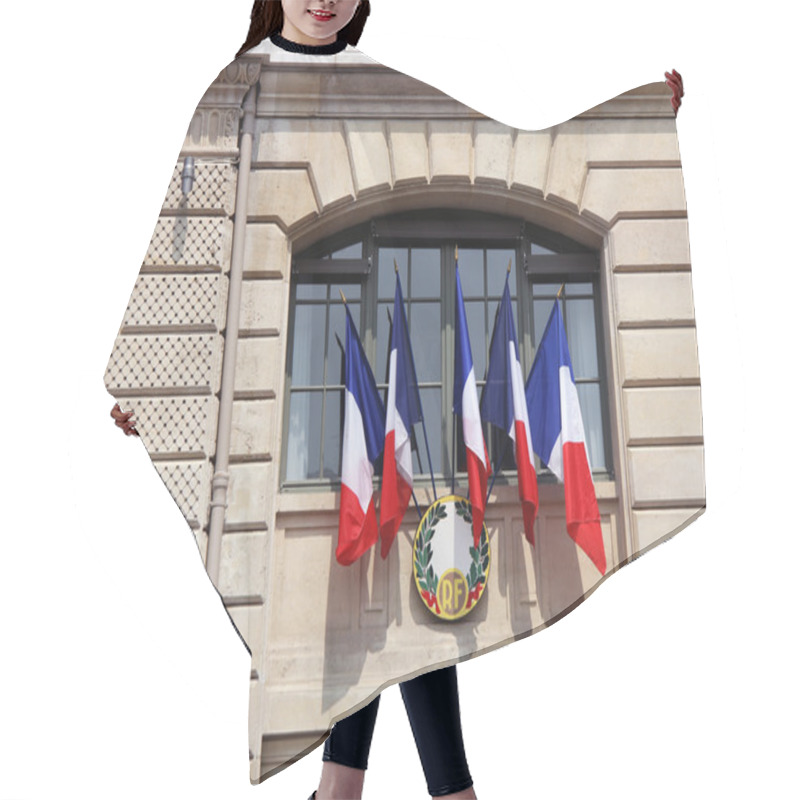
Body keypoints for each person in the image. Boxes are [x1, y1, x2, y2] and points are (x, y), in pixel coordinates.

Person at [111, 3, 685, 797]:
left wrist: (635, 131)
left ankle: (358, 791)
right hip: (303, 411)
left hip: (402, 402)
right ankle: (420, 791)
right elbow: (195, 245)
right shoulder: (236, 93)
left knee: (406, 617)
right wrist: (159, 381)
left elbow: (504, 151)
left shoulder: (373, 86)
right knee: (394, 618)